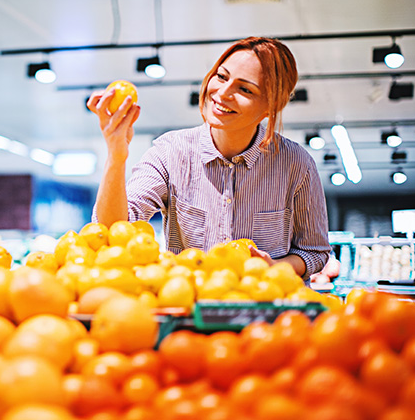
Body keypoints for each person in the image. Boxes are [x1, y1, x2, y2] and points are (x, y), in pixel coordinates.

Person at [87, 36, 330, 280]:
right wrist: (116, 156)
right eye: (222, 76)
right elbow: (111, 229)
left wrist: (275, 268)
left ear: (272, 106)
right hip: (189, 307)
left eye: (245, 89)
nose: (222, 93)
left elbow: (314, 252)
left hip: (265, 309)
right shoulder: (170, 151)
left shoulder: (297, 165)